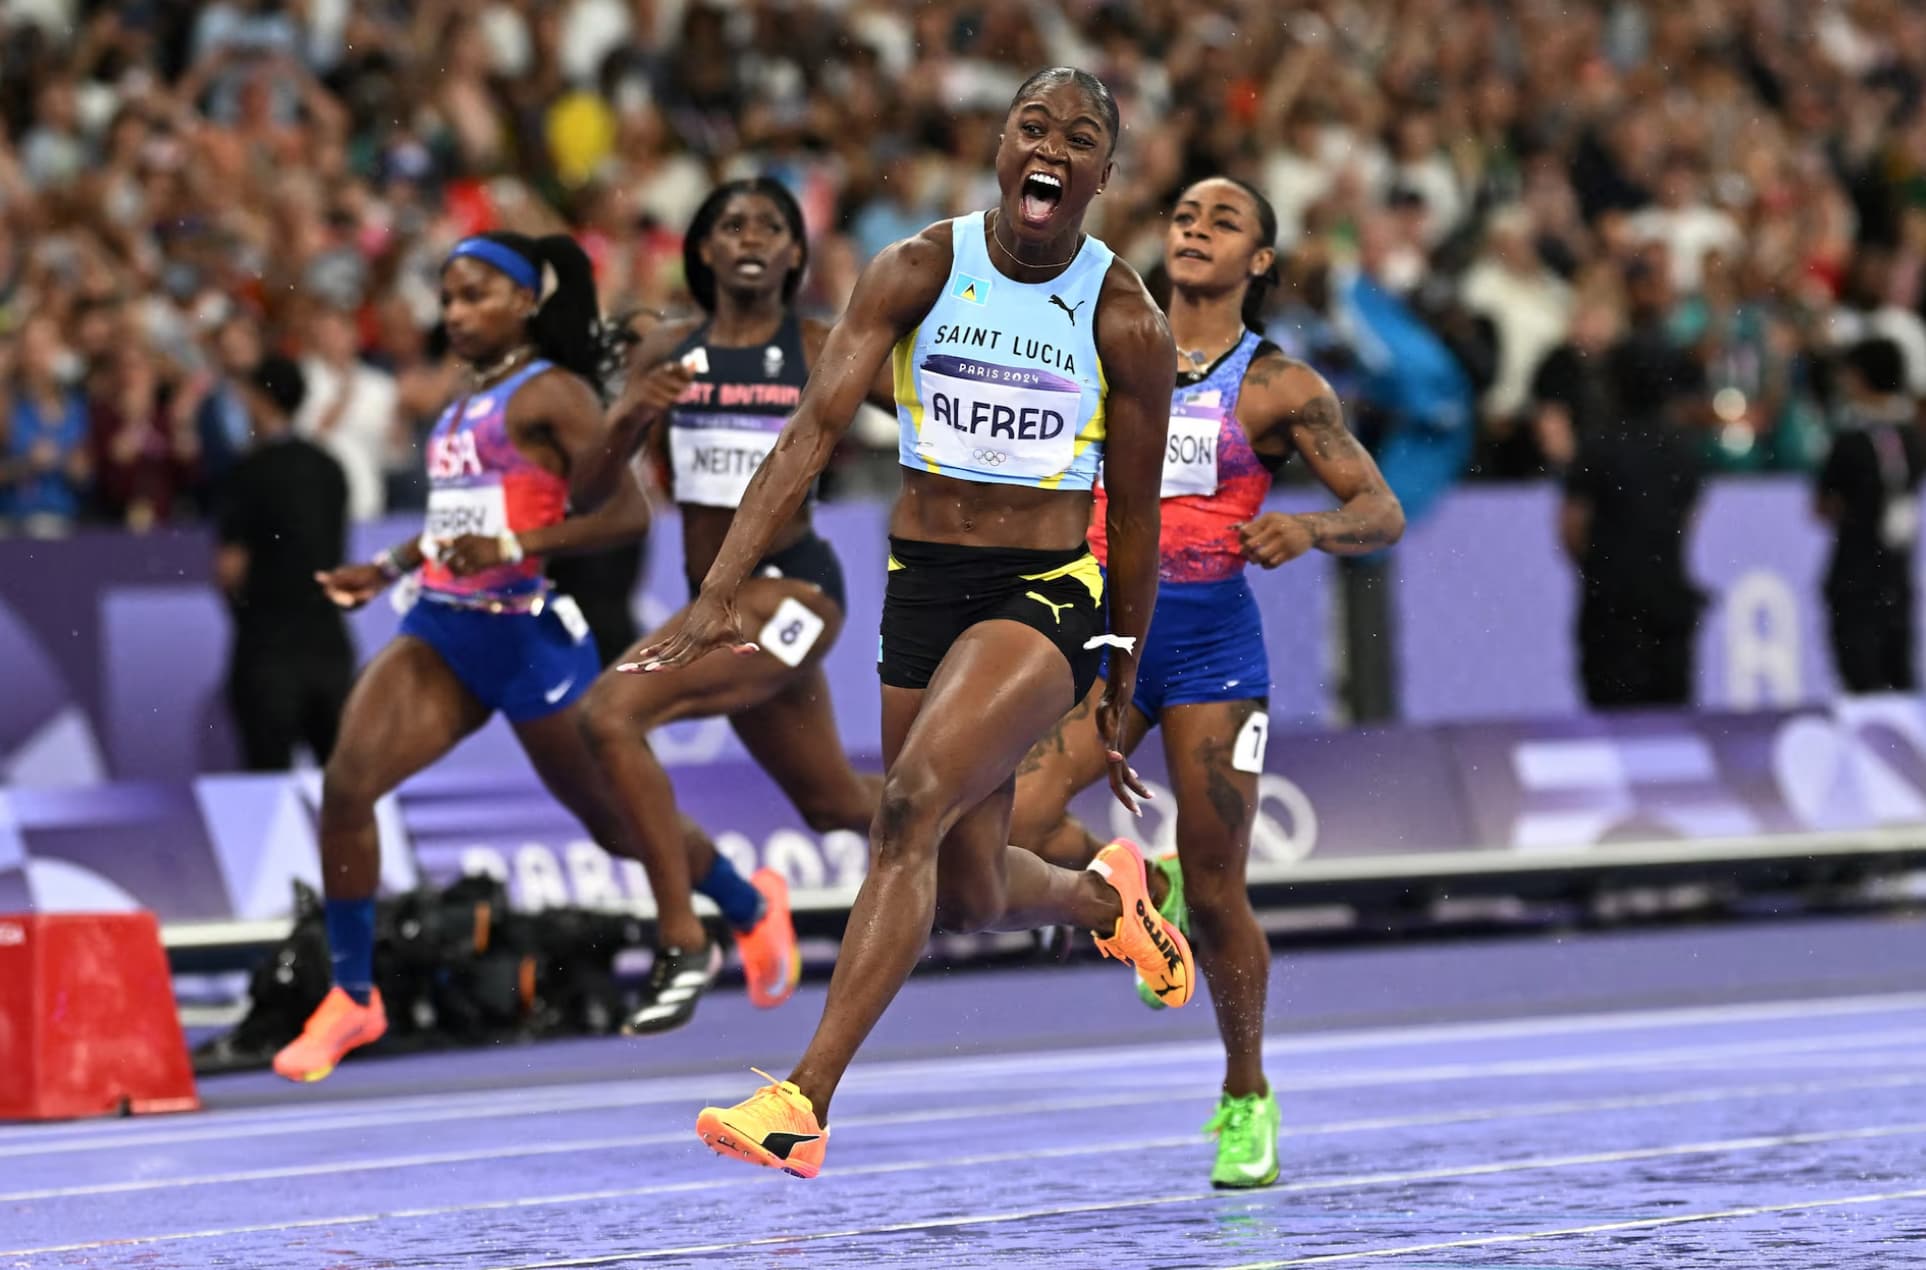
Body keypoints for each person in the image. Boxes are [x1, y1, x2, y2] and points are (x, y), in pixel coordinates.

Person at [630, 67, 1197, 1180]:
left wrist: (1122, 659)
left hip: (1045, 594)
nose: (1053, 146)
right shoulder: (921, 269)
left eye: (1079, 137)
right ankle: (1109, 895)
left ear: (1102, 174)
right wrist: (717, 591)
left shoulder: (1124, 315)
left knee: (906, 811)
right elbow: (808, 436)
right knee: (973, 889)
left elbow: (1134, 511)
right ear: (1001, 147)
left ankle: (802, 1101)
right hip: (922, 583)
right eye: (1033, 125)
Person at [1009, 177, 1405, 1189]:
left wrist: (1309, 527)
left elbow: (1382, 510)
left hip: (1212, 652)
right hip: (1106, 637)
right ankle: (1135, 886)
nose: (1195, 228)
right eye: (1186, 214)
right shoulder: (1108, 350)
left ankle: (1245, 1094)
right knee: (1014, 818)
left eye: (1224, 222)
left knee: (1224, 890)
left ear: (1258, 262)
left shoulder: (1278, 387)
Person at [269, 232, 704, 1082]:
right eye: (448, 298)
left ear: (523, 303)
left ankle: (733, 897)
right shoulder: (465, 401)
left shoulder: (557, 395)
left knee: (615, 824)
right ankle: (354, 995)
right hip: (441, 625)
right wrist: (390, 566)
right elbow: (455, 522)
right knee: (347, 785)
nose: (456, 314)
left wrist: (514, 538)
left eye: (475, 296)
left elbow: (625, 519)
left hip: (523, 633)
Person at [579, 179, 886, 1032]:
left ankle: (685, 937)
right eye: (730, 224)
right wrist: (627, 417)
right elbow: (588, 493)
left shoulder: (824, 344)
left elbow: (937, 417)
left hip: (797, 591)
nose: (750, 235)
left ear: (795, 254)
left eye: (771, 225)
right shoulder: (667, 357)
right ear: (704, 250)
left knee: (608, 717)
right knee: (835, 807)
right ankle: (1037, 836)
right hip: (713, 604)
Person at [214, 354, 355, 771]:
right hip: (330, 647)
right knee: (341, 790)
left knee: (267, 789)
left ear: (260, 401)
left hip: (269, 650)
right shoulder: (330, 467)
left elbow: (229, 570)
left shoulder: (248, 471)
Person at [1560, 329, 1708, 708]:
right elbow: (1689, 521)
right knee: (1671, 718)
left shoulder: (1598, 445)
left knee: (1612, 712)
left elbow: (1572, 526)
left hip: (1610, 603)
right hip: (1668, 595)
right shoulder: (1682, 449)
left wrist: (1602, 566)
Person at [1817, 337, 1924, 693]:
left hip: (1855, 575)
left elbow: (1824, 506)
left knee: (1861, 681)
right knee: (1897, 676)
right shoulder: (1913, 438)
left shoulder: (1849, 441)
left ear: (1859, 377)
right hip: (1896, 578)